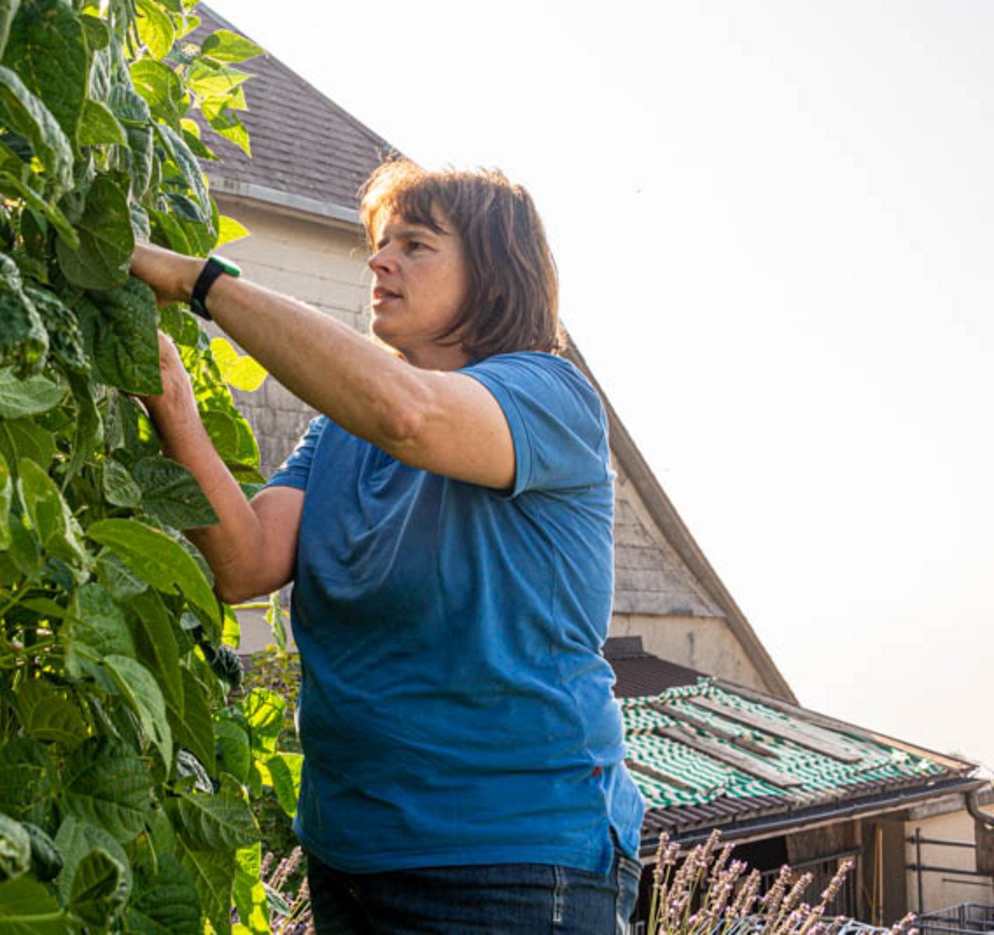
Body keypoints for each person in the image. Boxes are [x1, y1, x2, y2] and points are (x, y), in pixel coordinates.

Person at [130, 159, 644, 934]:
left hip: (515, 866)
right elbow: (242, 562)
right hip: (353, 857)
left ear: (494, 273)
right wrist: (170, 397)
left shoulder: (551, 397)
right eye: (379, 243)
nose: (380, 260)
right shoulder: (339, 434)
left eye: (415, 244)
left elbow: (408, 411)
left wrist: (202, 283)